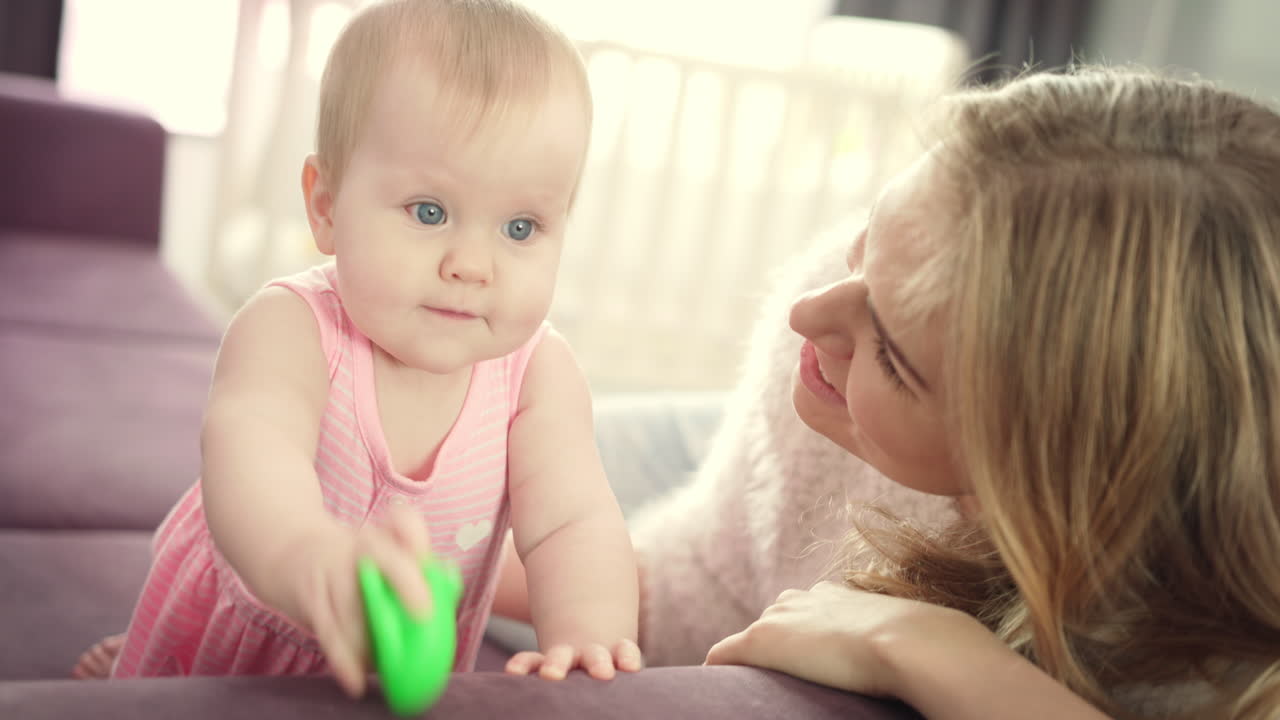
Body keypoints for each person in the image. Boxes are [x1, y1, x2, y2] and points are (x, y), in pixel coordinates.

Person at [520, 66, 1280, 718]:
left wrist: (934, 653)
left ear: (1042, 470)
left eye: (892, 353)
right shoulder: (835, 315)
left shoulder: (1202, 644)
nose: (805, 313)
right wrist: (458, 572)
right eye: (864, 246)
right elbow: (706, 585)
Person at [74, 0, 641, 695]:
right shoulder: (292, 328)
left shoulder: (538, 374)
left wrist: (589, 631)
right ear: (326, 206)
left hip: (399, 671)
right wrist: (306, 556)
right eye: (429, 212)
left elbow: (571, 520)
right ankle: (144, 645)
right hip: (246, 635)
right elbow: (250, 449)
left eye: (521, 228)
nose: (472, 263)